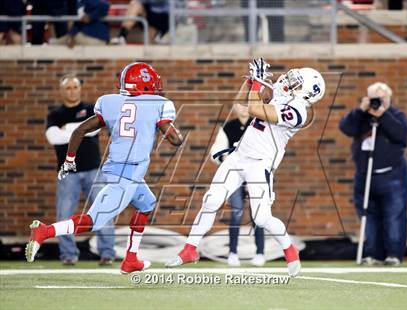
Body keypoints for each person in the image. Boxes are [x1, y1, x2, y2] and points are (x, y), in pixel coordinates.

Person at [166, 59, 326, 277]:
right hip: (238, 156)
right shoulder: (283, 94)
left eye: (297, 83)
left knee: (261, 218)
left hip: (260, 164)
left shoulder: (299, 111)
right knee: (211, 200)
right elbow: (244, 102)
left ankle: (290, 248)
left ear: (307, 94)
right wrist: (253, 81)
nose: (290, 81)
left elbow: (255, 108)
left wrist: (258, 83)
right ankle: (189, 249)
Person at [27, 63, 183, 273]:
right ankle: (45, 232)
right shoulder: (158, 104)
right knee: (93, 221)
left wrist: (69, 159)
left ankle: (131, 259)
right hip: (126, 173)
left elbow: (80, 130)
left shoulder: (109, 103)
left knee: (146, 203)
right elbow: (175, 139)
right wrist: (174, 132)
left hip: (120, 169)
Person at [45, 74, 115, 265]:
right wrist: (79, 131)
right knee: (64, 215)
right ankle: (68, 255)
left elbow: (93, 130)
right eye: (68, 88)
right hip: (68, 173)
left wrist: (66, 130)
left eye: (75, 87)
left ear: (80, 89)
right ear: (62, 91)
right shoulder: (55, 114)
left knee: (103, 212)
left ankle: (107, 253)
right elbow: (53, 138)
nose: (72, 91)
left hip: (94, 170)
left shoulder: (90, 109)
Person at [339, 82, 407, 266]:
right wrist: (360, 111)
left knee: (394, 216)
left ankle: (393, 254)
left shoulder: (396, 115)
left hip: (392, 176)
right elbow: (346, 128)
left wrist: (383, 116)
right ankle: (372, 254)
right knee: (368, 216)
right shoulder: (362, 118)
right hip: (365, 175)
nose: (378, 102)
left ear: (389, 98)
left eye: (382, 98)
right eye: (375, 98)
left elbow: (401, 135)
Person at [210, 103, 265, 267]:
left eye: (246, 105)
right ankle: (233, 252)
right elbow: (216, 151)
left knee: (258, 214)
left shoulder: (258, 125)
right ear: (233, 107)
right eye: (240, 105)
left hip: (255, 173)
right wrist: (225, 159)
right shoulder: (228, 127)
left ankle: (260, 252)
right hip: (235, 175)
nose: (243, 108)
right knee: (237, 212)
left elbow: (265, 151)